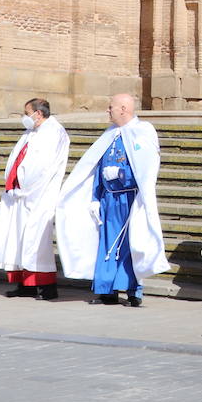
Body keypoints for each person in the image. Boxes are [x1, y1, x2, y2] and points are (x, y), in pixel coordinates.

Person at [55, 93, 169, 306]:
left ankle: (133, 290)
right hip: (109, 199)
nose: (108, 111)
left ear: (123, 109)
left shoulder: (143, 132)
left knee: (129, 242)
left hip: (130, 198)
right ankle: (107, 290)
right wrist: (96, 197)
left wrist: (121, 174)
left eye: (111, 107)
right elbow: (97, 166)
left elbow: (146, 167)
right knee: (106, 243)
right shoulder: (110, 134)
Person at [0, 98, 70, 301]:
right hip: (20, 194)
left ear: (38, 114)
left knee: (37, 241)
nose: (24, 116)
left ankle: (46, 286)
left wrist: (25, 186)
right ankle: (25, 284)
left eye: (26, 112)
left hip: (38, 194)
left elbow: (43, 167)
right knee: (19, 240)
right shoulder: (33, 132)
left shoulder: (53, 132)